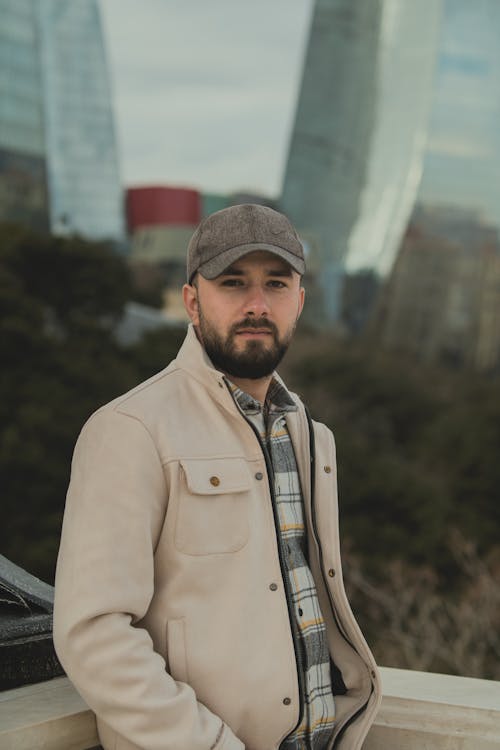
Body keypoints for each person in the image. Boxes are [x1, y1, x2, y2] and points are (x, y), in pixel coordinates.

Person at [54, 203, 381, 750]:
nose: (257, 304)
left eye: (276, 284)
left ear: (298, 302)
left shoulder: (310, 435)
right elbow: (93, 633)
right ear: (191, 301)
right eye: (233, 283)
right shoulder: (130, 429)